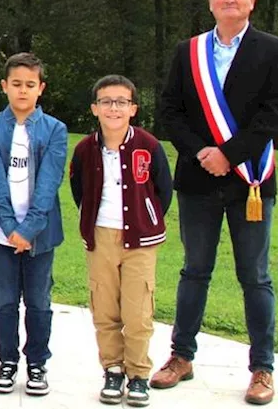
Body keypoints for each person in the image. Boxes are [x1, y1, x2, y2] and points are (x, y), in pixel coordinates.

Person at [152, 0, 278, 406]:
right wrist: (200, 153)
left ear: (252, 1)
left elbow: (274, 115)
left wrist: (228, 155)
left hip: (250, 180)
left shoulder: (275, 50)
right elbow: (169, 112)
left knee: (255, 276)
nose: (229, 0)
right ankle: (181, 356)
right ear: (210, 1)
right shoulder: (187, 51)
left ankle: (262, 368)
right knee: (194, 270)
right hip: (197, 180)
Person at [70, 75, 173, 407]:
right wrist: (93, 220)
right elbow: (78, 189)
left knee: (138, 310)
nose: (113, 108)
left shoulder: (149, 145)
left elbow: (163, 190)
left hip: (140, 240)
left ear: (133, 108)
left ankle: (139, 373)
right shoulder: (86, 149)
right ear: (94, 109)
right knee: (104, 307)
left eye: (121, 102)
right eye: (106, 102)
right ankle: (112, 368)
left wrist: (144, 216)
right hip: (101, 237)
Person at [0, 52, 68, 397]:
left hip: (40, 235)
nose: (23, 91)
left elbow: (49, 184)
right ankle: (7, 361)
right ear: (5, 87)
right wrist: (10, 227)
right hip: (2, 233)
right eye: (16, 84)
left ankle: (37, 363)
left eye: (30, 85)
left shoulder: (55, 130)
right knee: (5, 300)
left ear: (40, 88)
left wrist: (28, 230)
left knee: (39, 300)